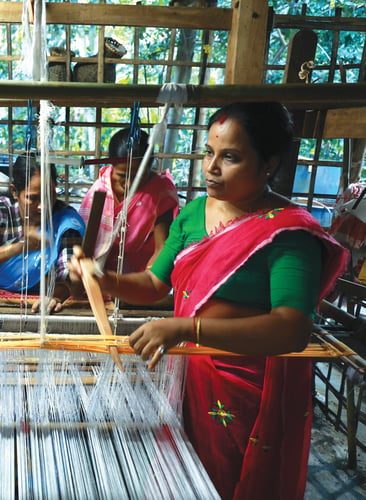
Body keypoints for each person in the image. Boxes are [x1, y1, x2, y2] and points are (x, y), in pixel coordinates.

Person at [69, 102, 348, 499]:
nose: (211, 167)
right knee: (184, 477)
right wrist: (102, 277)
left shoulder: (289, 234)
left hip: (248, 390)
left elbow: (291, 329)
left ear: (269, 163)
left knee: (232, 481)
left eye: (230, 157)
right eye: (208, 152)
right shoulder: (194, 212)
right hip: (188, 377)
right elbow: (153, 283)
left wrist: (186, 328)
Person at [0, 154, 85, 312]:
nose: (42, 206)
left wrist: (54, 297)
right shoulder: (0, 212)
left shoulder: (65, 222)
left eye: (49, 196)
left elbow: (66, 273)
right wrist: (18, 248)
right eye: (32, 198)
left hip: (39, 302)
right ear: (14, 191)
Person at [78, 127, 179, 273]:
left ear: (149, 168)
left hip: (140, 273)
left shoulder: (160, 191)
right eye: (122, 175)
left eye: (138, 177)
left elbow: (162, 249)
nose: (129, 184)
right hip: (98, 272)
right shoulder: (100, 190)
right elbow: (85, 244)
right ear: (112, 167)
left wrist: (147, 281)